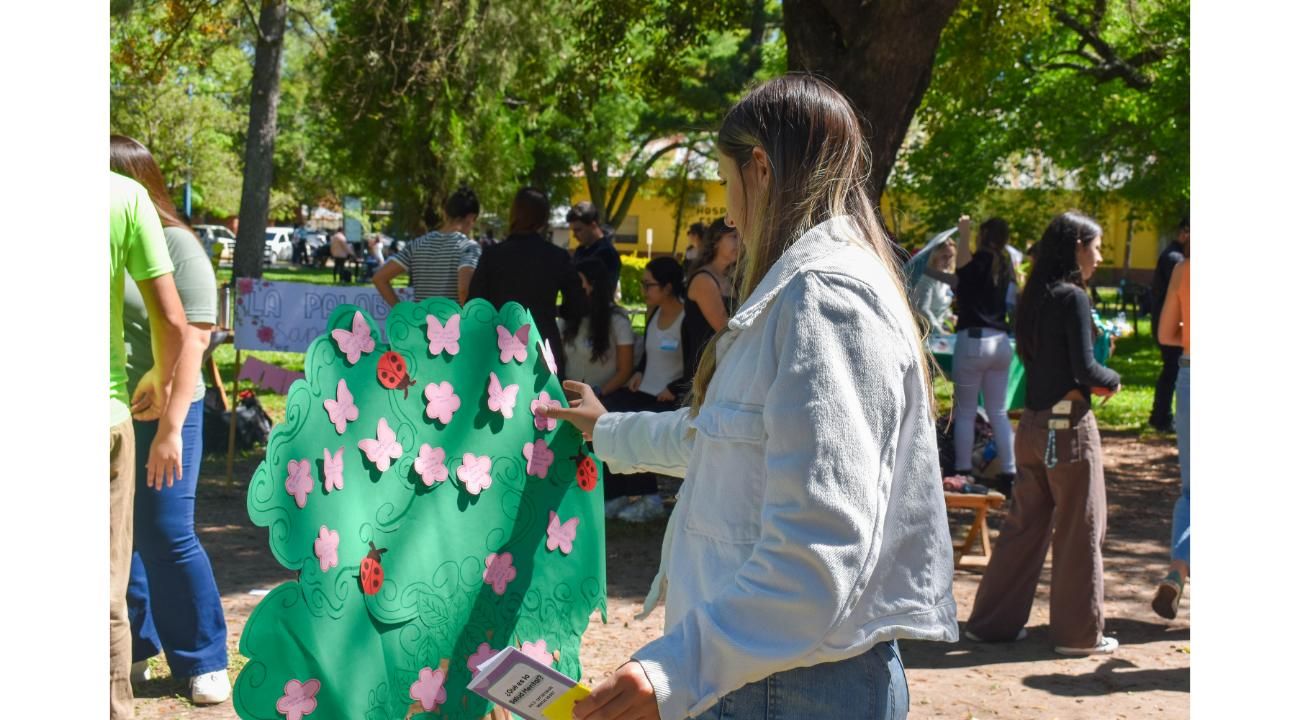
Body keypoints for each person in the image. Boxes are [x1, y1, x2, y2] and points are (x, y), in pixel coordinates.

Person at [547, 74, 956, 720]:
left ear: (760, 168)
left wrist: (673, 671)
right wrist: (606, 430)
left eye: (726, 183)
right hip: (768, 677)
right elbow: (716, 438)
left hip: (789, 688)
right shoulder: (799, 293)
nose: (727, 215)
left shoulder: (826, 299)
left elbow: (818, 554)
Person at [965, 211, 1122, 657]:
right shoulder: (1073, 297)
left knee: (1023, 527)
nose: (1100, 256)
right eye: (1096, 246)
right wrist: (1112, 379)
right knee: (1080, 527)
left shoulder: (1034, 294)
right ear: (1076, 246)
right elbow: (1085, 368)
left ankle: (990, 624)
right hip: (1067, 428)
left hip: (1032, 427)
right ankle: (1077, 636)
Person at [110, 136, 231, 705]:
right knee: (121, 540)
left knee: (165, 532)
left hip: (170, 417)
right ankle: (135, 648)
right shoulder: (114, 234)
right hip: (114, 411)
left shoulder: (181, 247)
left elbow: (193, 342)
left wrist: (168, 429)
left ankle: (203, 657)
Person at [109, 169, 189, 720]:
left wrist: (171, 423)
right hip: (105, 417)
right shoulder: (122, 196)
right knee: (106, 587)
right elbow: (174, 321)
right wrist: (159, 380)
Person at [927, 215, 1018, 492]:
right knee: (999, 412)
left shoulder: (978, 261)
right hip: (1000, 343)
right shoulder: (1006, 265)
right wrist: (931, 272)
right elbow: (961, 281)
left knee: (965, 412)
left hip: (973, 342)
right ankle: (1010, 472)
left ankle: (964, 470)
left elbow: (962, 271)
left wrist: (963, 232)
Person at [600, 257, 689, 523]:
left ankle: (648, 498)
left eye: (648, 285)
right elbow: (649, 357)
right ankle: (615, 494)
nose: (642, 291)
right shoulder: (653, 314)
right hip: (645, 392)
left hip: (668, 398)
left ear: (668, 287)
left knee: (632, 420)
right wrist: (638, 371)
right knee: (606, 413)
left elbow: (698, 362)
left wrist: (674, 388)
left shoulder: (687, 317)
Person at [468, 187, 587, 377]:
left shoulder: (492, 255)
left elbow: (474, 305)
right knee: (547, 405)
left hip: (499, 348)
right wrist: (554, 311)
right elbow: (577, 306)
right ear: (544, 218)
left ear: (515, 214)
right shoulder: (557, 257)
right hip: (543, 345)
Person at [1152, 254, 1191, 619]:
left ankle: (1178, 570)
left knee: (1191, 490)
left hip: (1192, 373)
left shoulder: (1184, 267)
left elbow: (1166, 334)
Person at [374, 187, 481, 305]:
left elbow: (379, 278)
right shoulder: (469, 248)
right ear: (471, 218)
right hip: (453, 321)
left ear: (445, 214)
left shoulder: (417, 244)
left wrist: (401, 312)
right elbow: (463, 290)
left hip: (420, 322)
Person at [561, 258, 636, 397]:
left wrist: (597, 394)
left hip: (605, 401)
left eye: (578, 282)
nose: (572, 288)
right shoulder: (568, 318)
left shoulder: (618, 321)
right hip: (568, 399)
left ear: (593, 285)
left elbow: (625, 370)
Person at [681, 217, 739, 385]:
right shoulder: (704, 280)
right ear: (715, 241)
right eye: (734, 237)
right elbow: (724, 328)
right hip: (704, 374)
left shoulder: (730, 278)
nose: (740, 242)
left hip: (724, 368)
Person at [1148, 217, 1190, 433]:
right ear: (1184, 232)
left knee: (1171, 371)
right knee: (1171, 371)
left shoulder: (1176, 258)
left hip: (1170, 325)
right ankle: (1161, 416)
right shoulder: (1176, 259)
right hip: (1171, 326)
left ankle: (1160, 415)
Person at [568, 201, 622, 290]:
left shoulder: (606, 254)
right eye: (573, 231)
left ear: (593, 226)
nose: (574, 235)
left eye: (578, 230)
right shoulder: (581, 249)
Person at [909, 238, 956, 334]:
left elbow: (941, 306)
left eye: (951, 256)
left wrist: (949, 316)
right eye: (944, 257)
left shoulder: (945, 276)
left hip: (939, 334)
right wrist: (940, 332)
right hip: (923, 333)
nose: (948, 260)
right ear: (934, 257)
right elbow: (922, 309)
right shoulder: (926, 279)